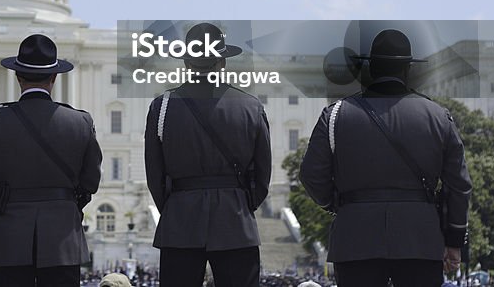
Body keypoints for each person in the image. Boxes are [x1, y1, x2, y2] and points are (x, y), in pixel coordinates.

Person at [300, 28, 472, 287]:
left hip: (355, 237)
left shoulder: (335, 115)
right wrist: (454, 240)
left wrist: (338, 204)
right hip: (420, 238)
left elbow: (311, 175)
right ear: (408, 70)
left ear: (371, 69)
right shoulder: (438, 117)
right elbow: (458, 186)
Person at [144, 22, 272, 287]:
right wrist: (243, 203)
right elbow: (263, 174)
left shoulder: (162, 107)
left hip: (180, 217)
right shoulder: (250, 106)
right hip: (235, 218)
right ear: (222, 61)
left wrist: (173, 206)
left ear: (187, 63)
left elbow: (154, 173)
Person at [0, 34, 103, 287]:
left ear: (17, 76)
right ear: (54, 77)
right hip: (62, 233)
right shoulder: (80, 121)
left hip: (9, 231)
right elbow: (91, 181)